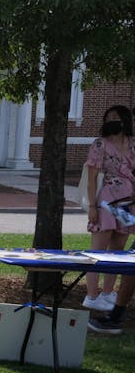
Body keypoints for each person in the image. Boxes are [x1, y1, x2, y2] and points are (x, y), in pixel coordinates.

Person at [83, 105, 135, 311]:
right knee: (97, 251)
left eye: (115, 118)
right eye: (108, 118)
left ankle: (107, 293)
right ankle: (92, 295)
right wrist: (92, 206)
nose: (111, 121)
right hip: (107, 200)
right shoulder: (99, 145)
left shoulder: (132, 144)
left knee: (117, 252)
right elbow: (92, 179)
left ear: (125, 121)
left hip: (128, 202)